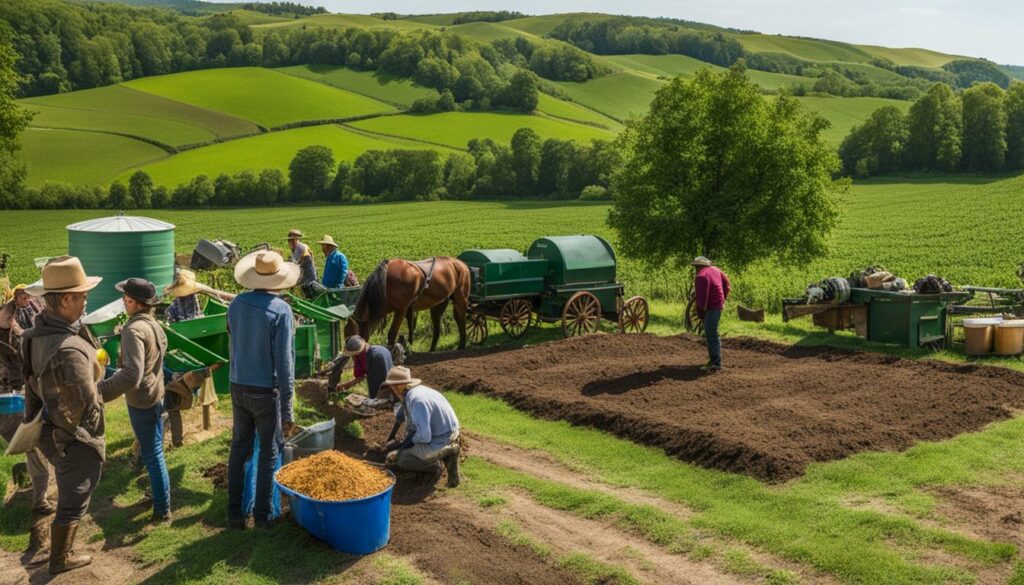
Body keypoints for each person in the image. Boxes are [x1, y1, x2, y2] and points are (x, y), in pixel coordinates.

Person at [22, 256, 107, 574]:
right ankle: (60, 558)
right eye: (83, 295)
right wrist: (112, 378)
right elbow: (87, 404)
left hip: (48, 430)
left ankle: (61, 552)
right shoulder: (69, 349)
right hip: (70, 438)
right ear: (67, 298)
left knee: (73, 490)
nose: (86, 301)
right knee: (76, 495)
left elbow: (34, 382)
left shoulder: (34, 335)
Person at [226, 250, 298, 529]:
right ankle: (263, 515)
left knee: (239, 448)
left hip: (237, 387)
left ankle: (234, 514)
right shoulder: (280, 310)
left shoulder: (236, 304)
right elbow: (285, 364)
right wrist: (287, 409)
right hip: (265, 392)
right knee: (269, 452)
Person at [97, 278, 171, 523]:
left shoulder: (133, 330)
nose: (123, 302)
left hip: (143, 399)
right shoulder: (153, 323)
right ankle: (159, 498)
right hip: (155, 392)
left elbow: (132, 374)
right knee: (155, 449)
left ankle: (162, 509)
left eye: (126, 299)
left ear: (136, 303)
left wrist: (102, 391)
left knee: (152, 453)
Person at [0, 283, 54, 559]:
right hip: (12, 401)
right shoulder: (13, 336)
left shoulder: (18, 328)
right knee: (34, 444)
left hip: (17, 396)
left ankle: (38, 495)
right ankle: (40, 498)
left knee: (32, 445)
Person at [380, 366, 461, 488]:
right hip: (450, 432)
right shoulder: (418, 392)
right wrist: (394, 439)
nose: (391, 391)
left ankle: (436, 465)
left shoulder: (417, 401)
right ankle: (446, 452)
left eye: (391, 387)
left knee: (404, 459)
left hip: (440, 439)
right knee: (405, 449)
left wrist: (401, 450)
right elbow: (402, 416)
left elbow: (424, 436)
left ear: (398, 386)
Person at [692, 256, 730, 372]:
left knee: (711, 332)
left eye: (696, 267)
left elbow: (701, 299)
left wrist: (701, 314)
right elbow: (727, 285)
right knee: (712, 331)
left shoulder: (701, 277)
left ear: (699, 266)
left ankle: (715, 362)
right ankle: (714, 360)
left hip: (711, 306)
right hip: (717, 305)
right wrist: (722, 299)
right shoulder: (716, 270)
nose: (695, 269)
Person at [286, 229, 320, 298]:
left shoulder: (301, 247)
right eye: (289, 240)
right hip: (303, 278)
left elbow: (305, 257)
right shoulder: (294, 249)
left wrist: (296, 268)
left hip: (309, 278)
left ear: (297, 239)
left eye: (292, 239)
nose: (290, 241)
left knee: (311, 296)